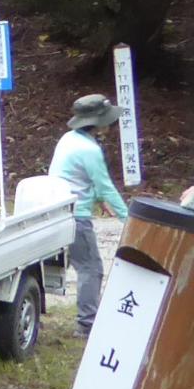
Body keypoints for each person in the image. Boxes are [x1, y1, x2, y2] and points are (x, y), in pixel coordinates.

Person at [49, 94, 129, 333]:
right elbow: (105, 186)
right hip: (77, 216)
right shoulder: (90, 149)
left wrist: (98, 198)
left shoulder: (69, 139)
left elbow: (78, 177)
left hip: (58, 210)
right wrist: (129, 218)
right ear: (98, 123)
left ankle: (87, 319)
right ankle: (87, 324)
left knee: (81, 265)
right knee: (91, 268)